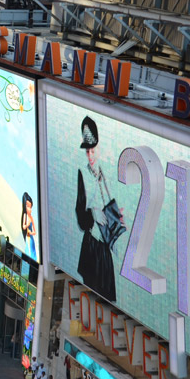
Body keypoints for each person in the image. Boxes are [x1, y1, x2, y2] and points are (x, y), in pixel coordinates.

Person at [74, 116, 126, 301]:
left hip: (105, 248)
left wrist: (117, 214)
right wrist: (92, 213)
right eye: (87, 151)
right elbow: (80, 216)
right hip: (92, 246)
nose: (90, 155)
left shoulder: (105, 172)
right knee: (93, 296)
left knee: (107, 298)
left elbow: (111, 200)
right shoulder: (83, 174)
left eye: (92, 150)